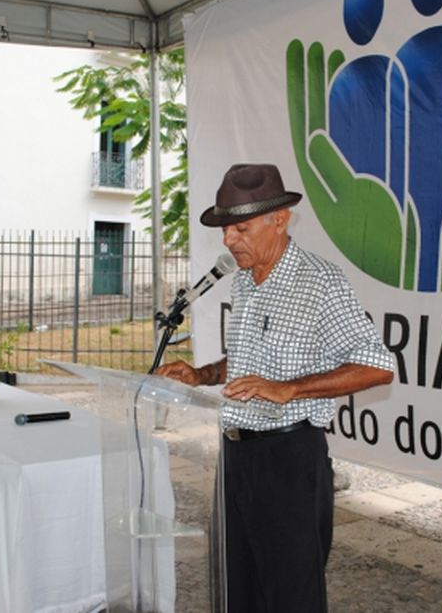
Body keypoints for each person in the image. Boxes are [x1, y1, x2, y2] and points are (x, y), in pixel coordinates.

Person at [157, 163, 395, 613]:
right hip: (233, 457)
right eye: (226, 230)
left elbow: (378, 366)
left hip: (288, 463)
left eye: (240, 228)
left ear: (279, 220)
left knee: (290, 597)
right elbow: (251, 363)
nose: (228, 241)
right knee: (237, 588)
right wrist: (203, 375)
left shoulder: (319, 282)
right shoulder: (245, 279)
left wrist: (289, 389)